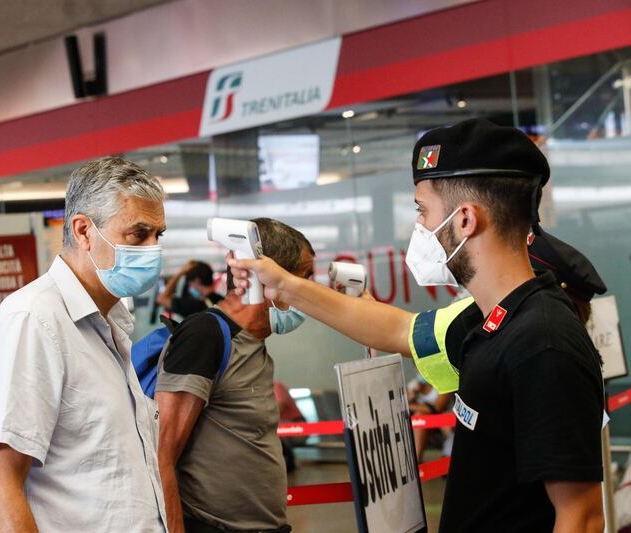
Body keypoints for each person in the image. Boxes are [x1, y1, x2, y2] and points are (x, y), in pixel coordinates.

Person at [228, 119, 605, 533]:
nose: (421, 228)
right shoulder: (488, 317)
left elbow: (581, 517)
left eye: (422, 211)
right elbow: (398, 330)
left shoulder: (543, 343)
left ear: (465, 220)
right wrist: (287, 286)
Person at [0, 157, 168, 532]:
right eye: (138, 234)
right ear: (83, 231)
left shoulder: (109, 325)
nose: (152, 250)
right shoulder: (33, 322)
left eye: (158, 235)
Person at [155, 218, 315, 533]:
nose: (311, 289)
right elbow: (161, 458)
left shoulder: (254, 343)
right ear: (263, 277)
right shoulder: (206, 335)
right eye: (305, 276)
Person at [157, 260, 223, 317]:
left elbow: (162, 298)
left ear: (197, 281)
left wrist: (181, 272)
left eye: (190, 284)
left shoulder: (196, 306)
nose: (190, 287)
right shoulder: (221, 299)